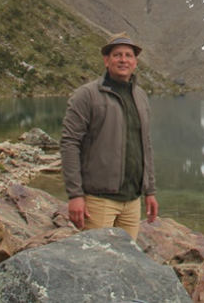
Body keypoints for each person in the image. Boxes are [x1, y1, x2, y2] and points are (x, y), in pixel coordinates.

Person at [60, 33, 158, 239]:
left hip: (132, 201)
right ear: (106, 60)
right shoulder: (86, 95)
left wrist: (150, 191)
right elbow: (70, 143)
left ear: (135, 62)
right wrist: (75, 195)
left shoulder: (140, 96)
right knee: (96, 265)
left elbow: (145, 145)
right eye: (117, 55)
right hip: (98, 201)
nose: (123, 60)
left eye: (129, 55)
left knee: (125, 262)